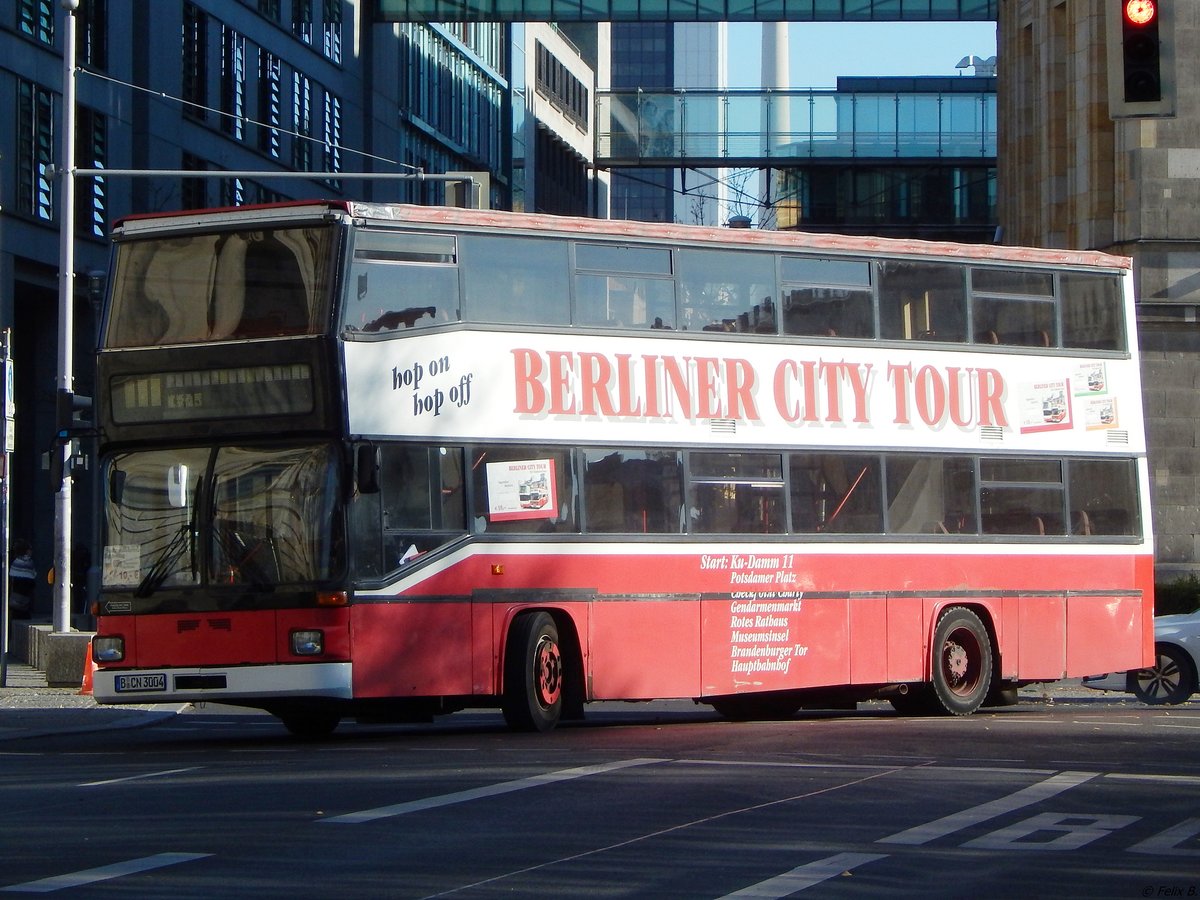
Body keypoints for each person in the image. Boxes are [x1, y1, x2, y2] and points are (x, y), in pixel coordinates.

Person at [9, 538, 37, 619]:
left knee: (16, 610)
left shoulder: (15, 562)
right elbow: (33, 575)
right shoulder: (29, 562)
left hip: (17, 589)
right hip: (25, 589)